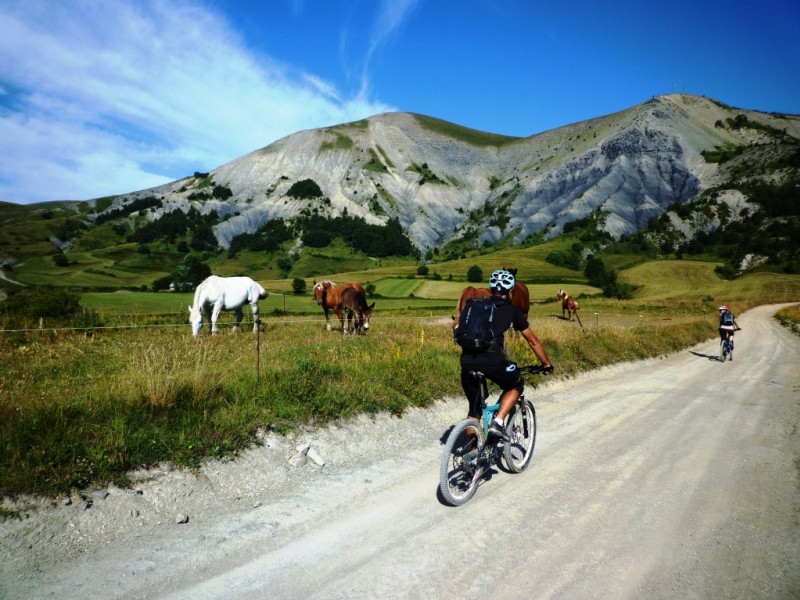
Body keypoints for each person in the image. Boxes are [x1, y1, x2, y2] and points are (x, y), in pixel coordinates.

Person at [458, 269, 553, 441]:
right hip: (492, 361)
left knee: (474, 412)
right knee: (515, 384)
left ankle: (471, 459)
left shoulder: (475, 305)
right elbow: (532, 341)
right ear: (511, 291)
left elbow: (457, 328)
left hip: (467, 362)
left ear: (491, 288)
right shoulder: (512, 311)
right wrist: (546, 363)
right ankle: (498, 423)